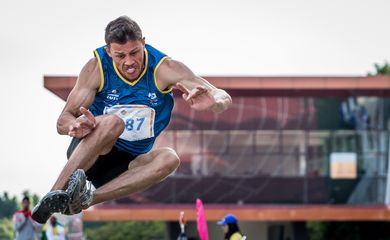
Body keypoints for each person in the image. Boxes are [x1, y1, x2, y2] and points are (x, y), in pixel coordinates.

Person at [32, 16, 232, 224]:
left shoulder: (164, 68)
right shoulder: (96, 69)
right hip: (92, 151)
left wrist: (214, 103)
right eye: (120, 55)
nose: (129, 62)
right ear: (108, 51)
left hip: (126, 166)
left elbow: (220, 95)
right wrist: (74, 126)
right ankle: (53, 195)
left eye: (135, 52)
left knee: (170, 158)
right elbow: (62, 120)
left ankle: (85, 200)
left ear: (143, 43)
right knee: (113, 123)